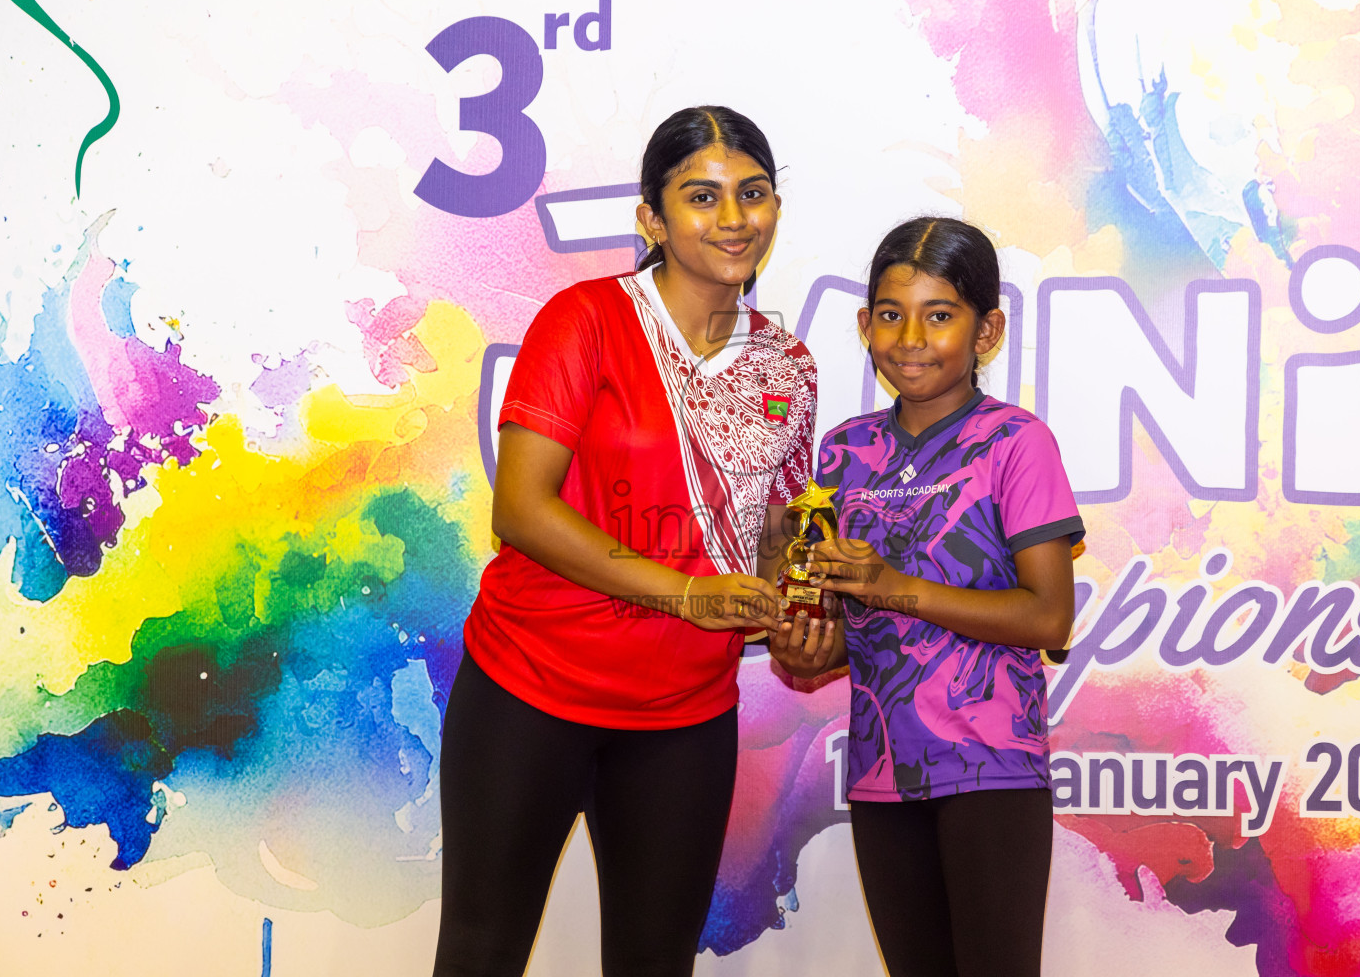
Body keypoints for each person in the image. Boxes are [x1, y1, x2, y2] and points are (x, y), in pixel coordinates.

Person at [434, 106, 817, 977]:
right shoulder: (588, 319)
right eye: (701, 196)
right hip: (532, 690)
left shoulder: (787, 367)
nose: (733, 218)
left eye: (753, 193)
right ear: (652, 219)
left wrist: (798, 616)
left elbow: (769, 539)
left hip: (686, 716)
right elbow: (521, 509)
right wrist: (687, 593)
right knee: (481, 955)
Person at [769, 217, 1084, 977]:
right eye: (890, 314)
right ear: (864, 326)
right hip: (882, 772)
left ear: (987, 331)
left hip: (991, 767)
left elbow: (1049, 617)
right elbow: (852, 622)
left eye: (939, 315)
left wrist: (896, 587)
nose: (910, 338)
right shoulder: (842, 453)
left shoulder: (1016, 443)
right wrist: (809, 647)